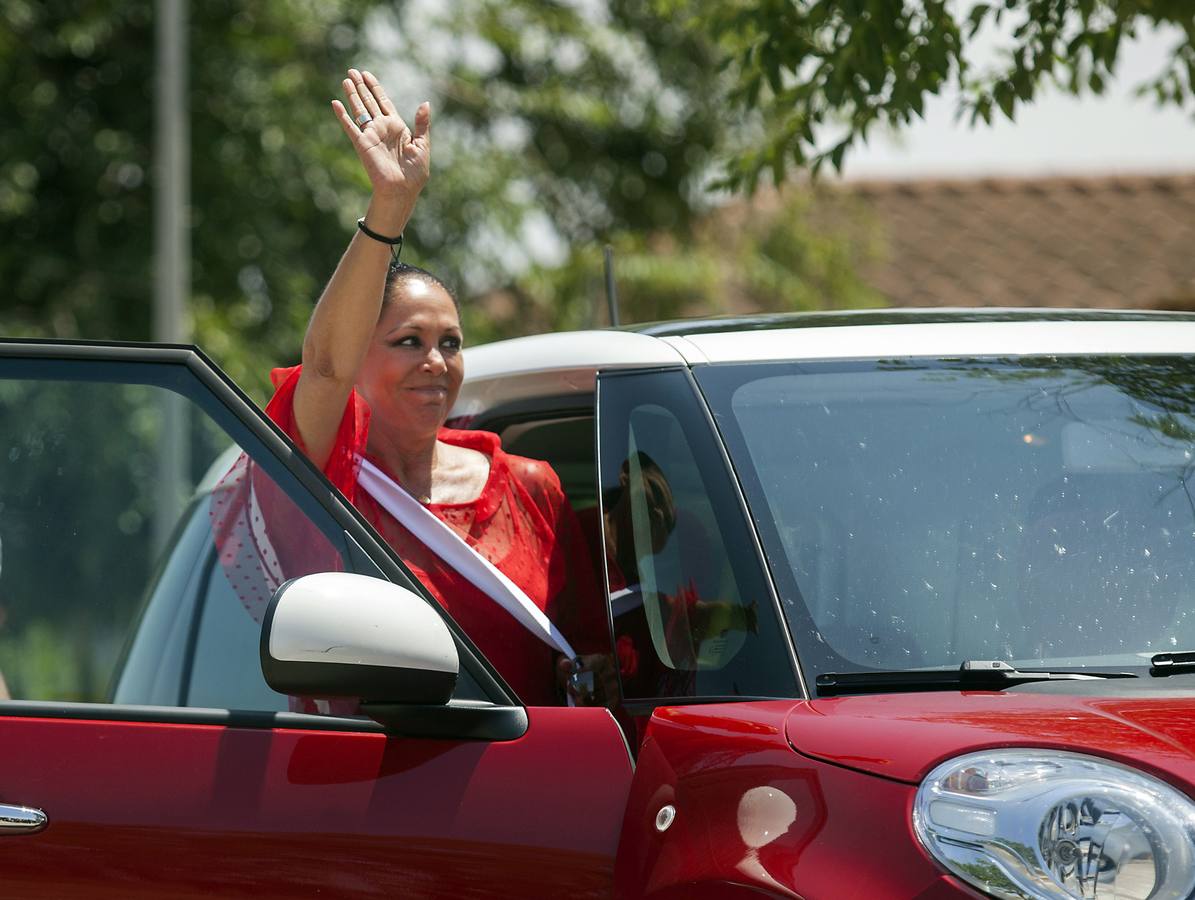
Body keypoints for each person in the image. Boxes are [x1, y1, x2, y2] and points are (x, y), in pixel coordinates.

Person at [263, 69, 607, 707]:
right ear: (360, 356)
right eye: (407, 343)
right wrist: (390, 206)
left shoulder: (531, 486)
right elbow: (324, 368)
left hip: (520, 784)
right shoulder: (325, 478)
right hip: (359, 785)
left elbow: (589, 655)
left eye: (450, 343)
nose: (436, 361)